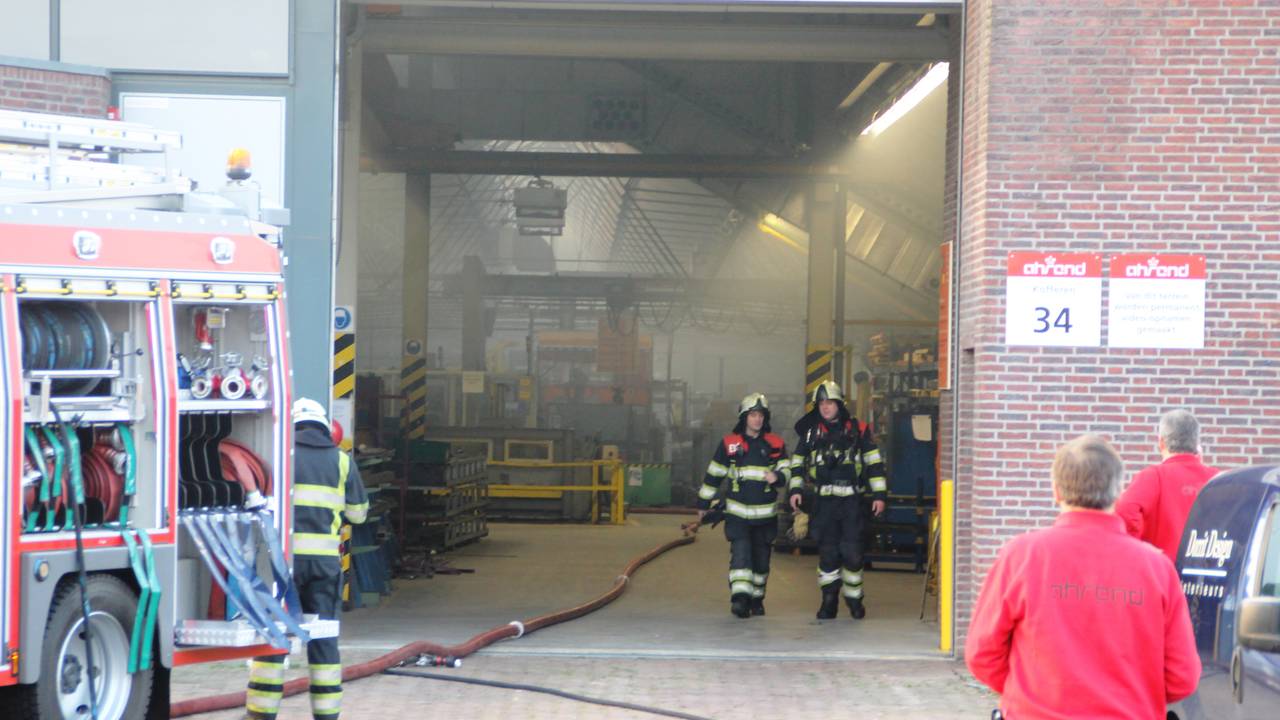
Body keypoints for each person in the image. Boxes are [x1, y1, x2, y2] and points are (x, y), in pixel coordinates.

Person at [965, 435, 1201, 719]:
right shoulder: (1158, 569)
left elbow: (982, 654)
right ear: (1117, 493)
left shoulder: (1021, 557)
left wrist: (1031, 693)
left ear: (1056, 491)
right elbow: (1182, 677)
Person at [247, 398, 369, 720]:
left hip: (281, 566)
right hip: (324, 566)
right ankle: (327, 715)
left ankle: (261, 713)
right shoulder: (342, 461)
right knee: (324, 640)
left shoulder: (279, 458)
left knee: (273, 636)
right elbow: (358, 515)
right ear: (324, 427)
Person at [788, 380, 886, 619]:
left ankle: (854, 600)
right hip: (824, 504)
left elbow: (874, 463)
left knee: (853, 554)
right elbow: (798, 462)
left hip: (853, 503)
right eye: (821, 403)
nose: (825, 407)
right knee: (828, 553)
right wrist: (795, 490)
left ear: (839, 405)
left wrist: (880, 495)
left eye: (829, 402)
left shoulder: (859, 430)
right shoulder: (811, 432)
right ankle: (828, 601)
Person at [696, 393, 790, 618]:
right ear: (744, 417)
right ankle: (739, 599)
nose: (757, 420)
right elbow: (714, 474)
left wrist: (778, 476)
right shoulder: (730, 444)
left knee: (761, 563)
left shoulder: (775, 444)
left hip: (765, 518)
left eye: (761, 415)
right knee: (740, 557)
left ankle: (757, 599)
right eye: (753, 415)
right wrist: (703, 504)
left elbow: (788, 470)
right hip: (737, 515)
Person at [1115, 409, 1219, 563]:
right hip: (1207, 578)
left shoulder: (1153, 476)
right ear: (1196, 443)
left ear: (1161, 442)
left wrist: (1139, 547)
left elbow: (1123, 511)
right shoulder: (1217, 480)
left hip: (1162, 573)